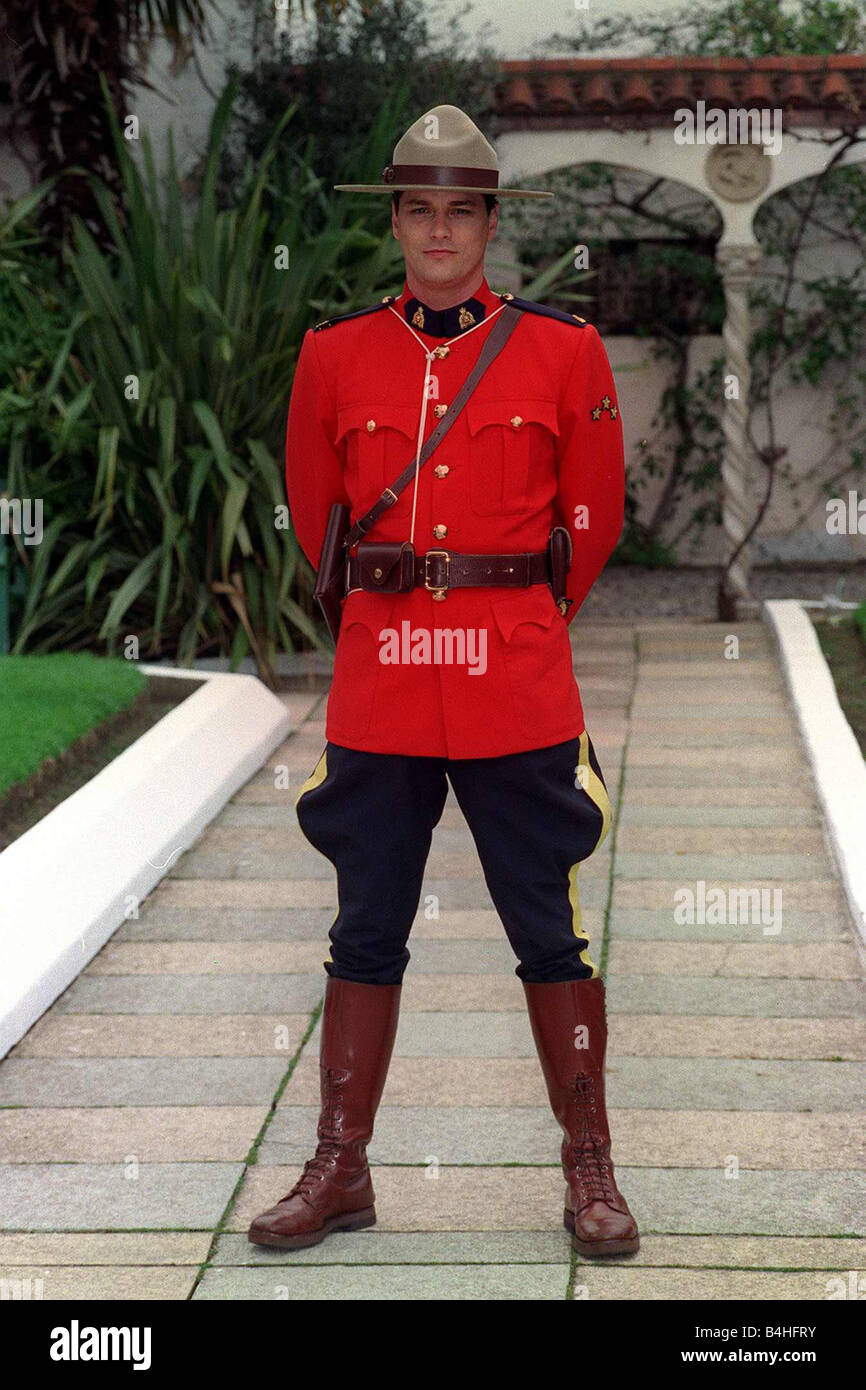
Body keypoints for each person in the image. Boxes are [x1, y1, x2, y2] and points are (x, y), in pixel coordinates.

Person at [248, 104, 639, 1258]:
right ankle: (339, 1166)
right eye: (414, 209)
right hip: (382, 683)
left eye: (455, 210)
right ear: (399, 223)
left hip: (512, 681)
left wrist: (510, 619)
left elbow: (593, 520)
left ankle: (589, 1169)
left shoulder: (561, 351)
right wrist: (386, 622)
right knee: (363, 925)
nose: (434, 231)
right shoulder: (335, 354)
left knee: (548, 933)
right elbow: (316, 510)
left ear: (486, 223)